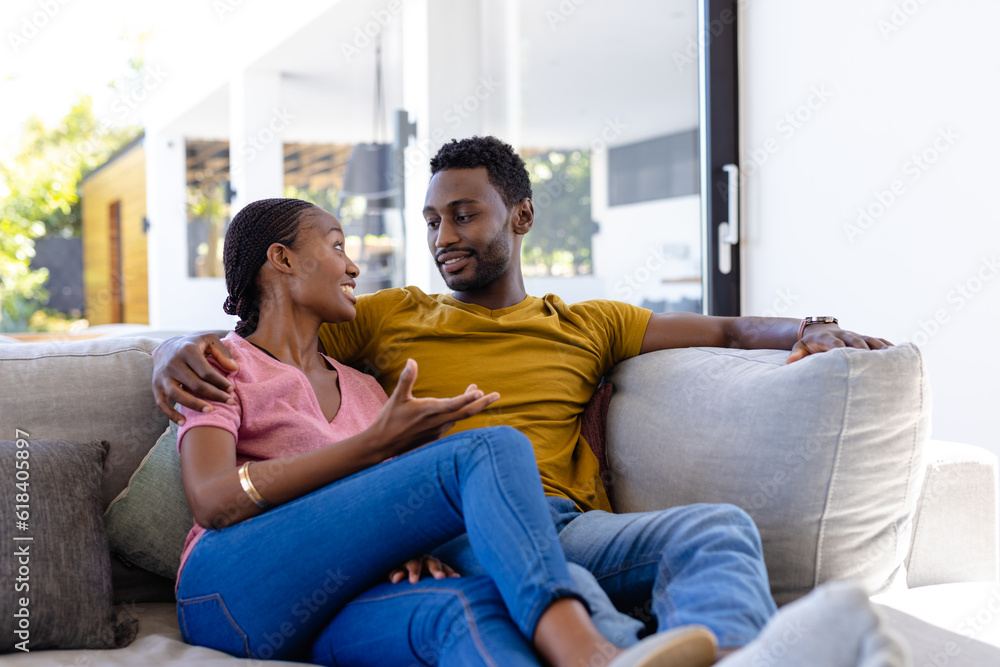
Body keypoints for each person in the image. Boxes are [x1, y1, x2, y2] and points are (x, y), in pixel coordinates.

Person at [157, 139, 909, 666]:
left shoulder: (581, 324)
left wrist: (811, 327)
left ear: (519, 216)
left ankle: (736, 655)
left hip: (548, 527)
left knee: (715, 528)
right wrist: (169, 353)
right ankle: (600, 653)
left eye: (463, 214)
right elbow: (249, 382)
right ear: (284, 259)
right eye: (430, 221)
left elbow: (730, 327)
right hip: (434, 530)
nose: (440, 236)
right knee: (496, 459)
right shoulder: (379, 323)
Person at [173, 196, 724, 667]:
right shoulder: (222, 365)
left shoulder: (367, 391)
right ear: (282, 258)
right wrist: (372, 447)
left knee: (470, 610)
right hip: (230, 592)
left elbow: (372, 516)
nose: (353, 268)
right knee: (489, 446)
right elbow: (214, 500)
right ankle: (589, 655)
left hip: (333, 604)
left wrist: (401, 544)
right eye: (337, 246)